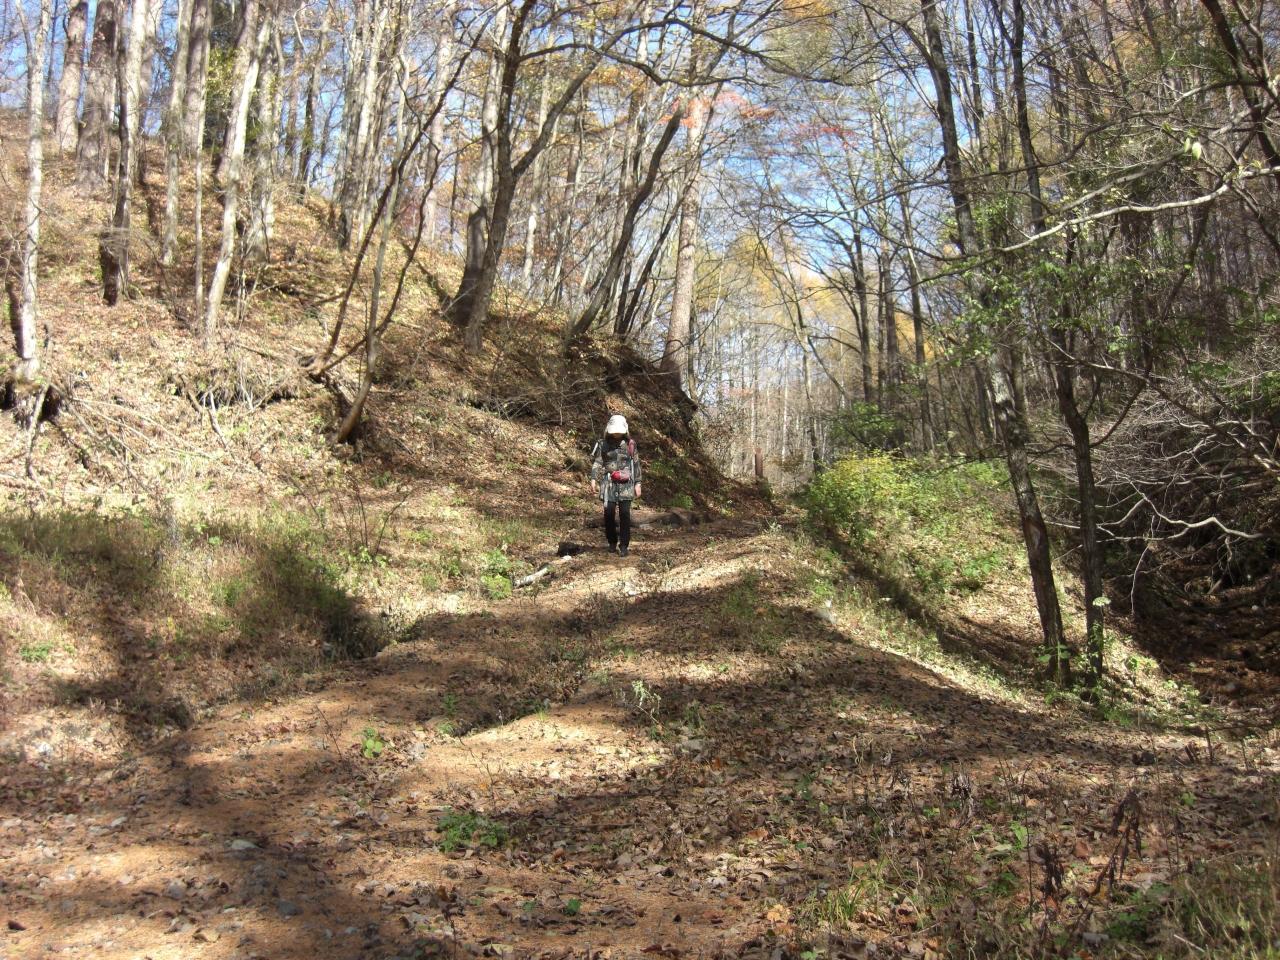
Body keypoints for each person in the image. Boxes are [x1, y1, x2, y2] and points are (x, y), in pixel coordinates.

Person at [590, 414, 642, 556]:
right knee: (608, 513)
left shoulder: (630, 444)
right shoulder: (603, 444)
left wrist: (638, 483)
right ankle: (612, 541)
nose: (617, 434)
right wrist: (593, 478)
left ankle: (624, 545)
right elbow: (598, 462)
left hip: (626, 484)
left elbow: (636, 464)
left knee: (625, 514)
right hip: (609, 484)